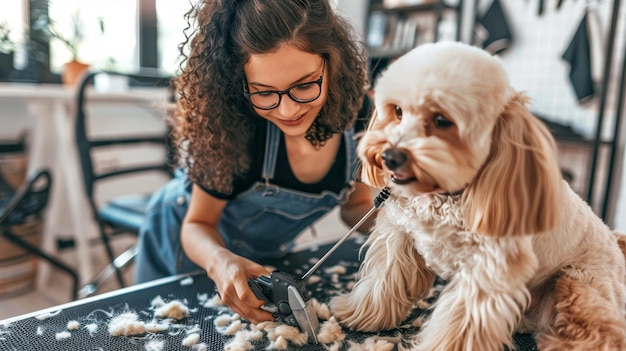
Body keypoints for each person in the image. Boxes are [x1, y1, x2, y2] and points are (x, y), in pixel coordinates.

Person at [134, 0, 375, 325]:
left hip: (259, 257)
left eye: (304, 85)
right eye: (264, 92)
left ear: (332, 62)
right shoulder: (234, 126)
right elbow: (197, 225)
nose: (288, 111)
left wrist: (404, 231)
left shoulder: (358, 114)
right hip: (187, 243)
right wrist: (220, 262)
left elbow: (356, 204)